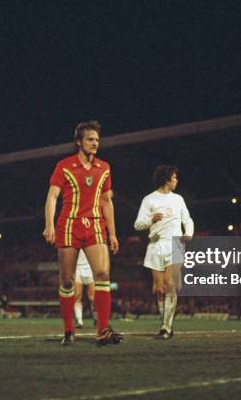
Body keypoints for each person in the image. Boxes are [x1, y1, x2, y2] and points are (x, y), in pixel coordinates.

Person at [43, 121, 122, 346]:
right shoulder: (64, 166)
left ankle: (102, 331)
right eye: (90, 139)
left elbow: (107, 202)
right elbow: (52, 197)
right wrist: (49, 225)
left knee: (103, 274)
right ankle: (69, 331)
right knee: (67, 280)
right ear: (79, 142)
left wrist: (113, 234)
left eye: (97, 140)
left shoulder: (104, 167)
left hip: (96, 226)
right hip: (68, 226)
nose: (95, 143)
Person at [134, 165, 194, 339]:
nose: (176, 180)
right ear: (166, 180)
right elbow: (138, 224)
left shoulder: (178, 199)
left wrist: (188, 233)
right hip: (155, 245)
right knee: (159, 289)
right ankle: (166, 322)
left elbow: (187, 220)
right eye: (174, 178)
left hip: (174, 244)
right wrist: (150, 219)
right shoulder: (149, 200)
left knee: (170, 283)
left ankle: (166, 327)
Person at [74, 250, 96, 329]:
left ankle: (96, 318)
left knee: (92, 298)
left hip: (89, 266)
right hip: (76, 267)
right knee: (77, 296)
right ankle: (79, 321)